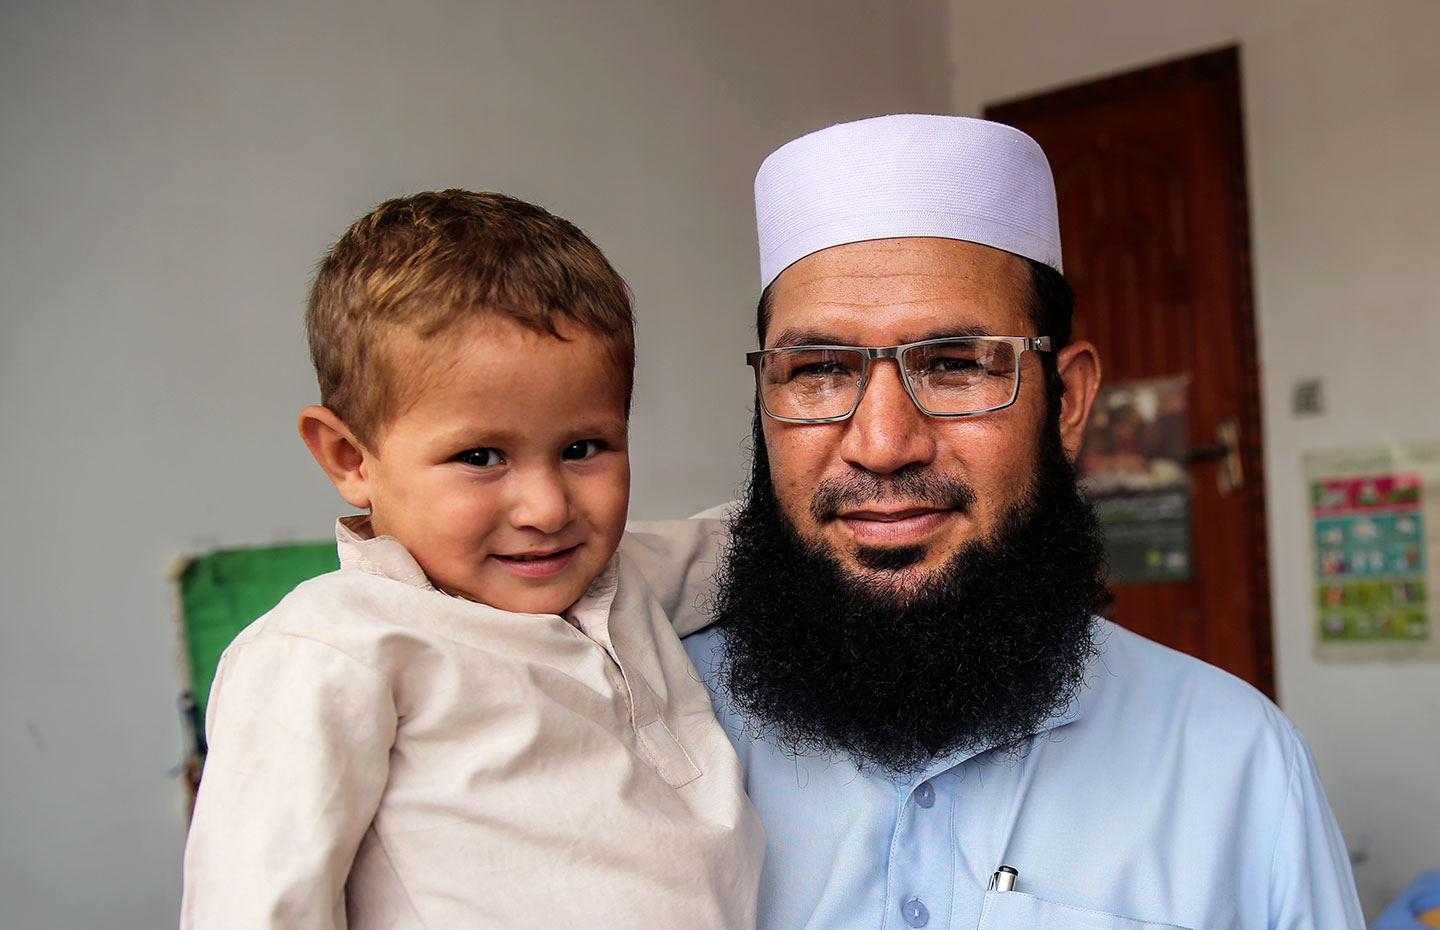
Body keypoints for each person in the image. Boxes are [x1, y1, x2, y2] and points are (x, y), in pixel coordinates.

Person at [668, 115, 1365, 928]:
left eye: (957, 363)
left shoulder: (1234, 760)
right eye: (819, 371)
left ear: (1068, 401)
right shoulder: (651, 719)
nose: (883, 444)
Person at [179, 190, 761, 929]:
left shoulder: (627, 576)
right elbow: (258, 909)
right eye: (480, 457)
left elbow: (764, 541)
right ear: (350, 456)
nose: (547, 508)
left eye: (583, 448)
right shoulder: (329, 648)